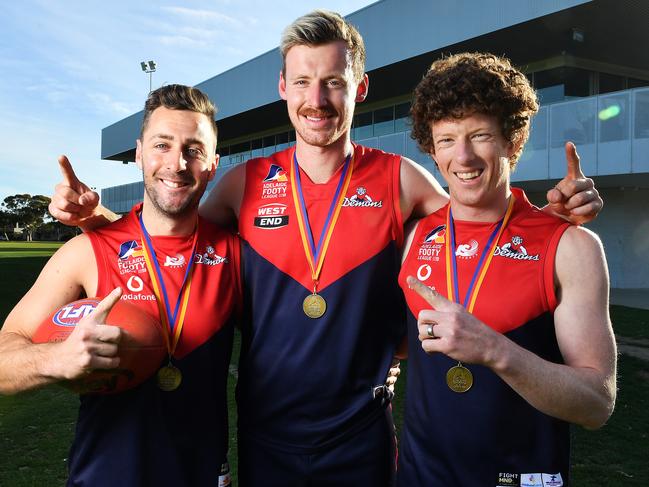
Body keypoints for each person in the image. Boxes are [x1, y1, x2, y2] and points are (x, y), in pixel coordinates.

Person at [48, 11, 603, 486]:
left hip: (360, 438)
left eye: (334, 81)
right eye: (304, 81)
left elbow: (477, 219)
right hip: (265, 437)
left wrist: (552, 216)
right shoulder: (244, 184)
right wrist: (96, 218)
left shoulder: (401, 180)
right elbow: (170, 233)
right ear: (282, 86)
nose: (318, 100)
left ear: (358, 87)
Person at [0, 84, 240, 486]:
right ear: (138, 154)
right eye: (161, 145)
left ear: (213, 164)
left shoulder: (235, 255)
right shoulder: (87, 251)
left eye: (194, 150)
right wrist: (54, 359)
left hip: (201, 475)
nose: (177, 163)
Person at [398, 53, 617, 486]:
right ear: (431, 149)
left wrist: (496, 350)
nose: (462, 156)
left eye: (480, 135)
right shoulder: (413, 236)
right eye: (446, 140)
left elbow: (596, 403)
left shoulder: (569, 245)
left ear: (513, 142)